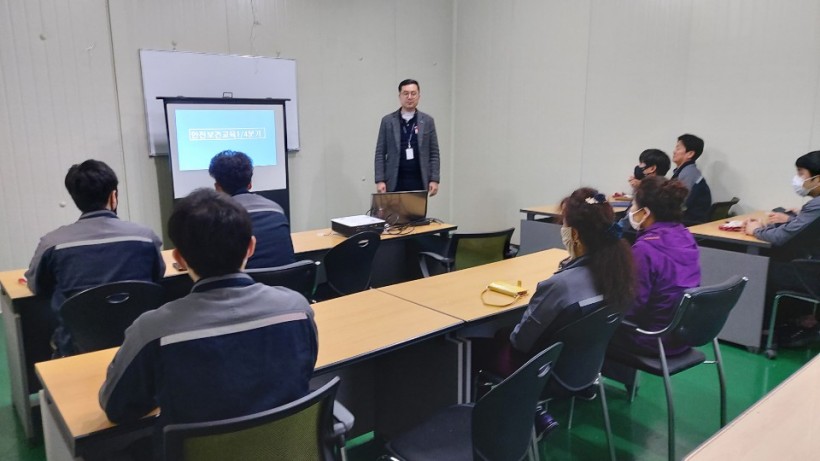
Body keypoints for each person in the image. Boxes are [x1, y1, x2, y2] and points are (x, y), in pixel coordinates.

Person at [99, 188, 317, 441]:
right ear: (251, 247)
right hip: (282, 449)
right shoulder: (297, 310)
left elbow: (116, 407)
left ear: (179, 258)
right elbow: (304, 370)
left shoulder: (152, 331)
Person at [473, 188, 635, 437]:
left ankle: (500, 418)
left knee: (476, 345)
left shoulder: (560, 286)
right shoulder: (619, 273)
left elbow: (520, 341)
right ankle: (535, 410)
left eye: (563, 225)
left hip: (543, 373)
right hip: (585, 368)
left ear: (575, 234)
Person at [25, 160, 164, 357]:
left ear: (75, 198)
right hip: (139, 344)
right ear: (113, 196)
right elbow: (158, 277)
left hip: (76, 348)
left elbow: (37, 287)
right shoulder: (146, 237)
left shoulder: (52, 244)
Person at [608, 176, 701, 357]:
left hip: (651, 339)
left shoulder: (645, 249)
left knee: (585, 330)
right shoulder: (685, 235)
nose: (631, 211)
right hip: (681, 335)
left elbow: (631, 307)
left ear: (645, 212)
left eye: (634, 205)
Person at [743, 150, 820, 346]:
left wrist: (756, 230)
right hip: (814, 265)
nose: (798, 179)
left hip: (814, 273)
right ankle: (802, 318)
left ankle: (761, 329)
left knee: (762, 269)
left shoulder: (816, 206)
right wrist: (795, 218)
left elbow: (778, 238)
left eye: (801, 174)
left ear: (817, 179)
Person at [209, 150, 295, 269]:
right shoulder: (276, 209)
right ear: (250, 184)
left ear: (217, 187)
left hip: (243, 281)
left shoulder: (217, 218)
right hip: (286, 280)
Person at [374, 79, 440, 196]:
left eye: (413, 93)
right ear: (399, 96)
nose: (409, 97)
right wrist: (380, 180)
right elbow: (380, 153)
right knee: (394, 209)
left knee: (417, 208)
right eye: (405, 93)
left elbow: (434, 153)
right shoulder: (388, 121)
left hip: (419, 180)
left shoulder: (427, 121)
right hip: (394, 181)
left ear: (419, 96)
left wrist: (434, 179)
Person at [671, 133, 712, 224]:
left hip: (689, 223)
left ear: (690, 154)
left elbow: (679, 205)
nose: (674, 151)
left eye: (678, 148)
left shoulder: (688, 174)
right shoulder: (688, 171)